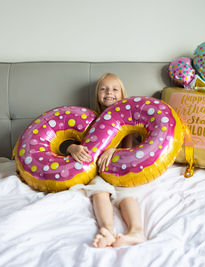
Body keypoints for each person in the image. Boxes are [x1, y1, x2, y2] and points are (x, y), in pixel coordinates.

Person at [61, 73, 146, 248]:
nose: (109, 93)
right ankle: (106, 230)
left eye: (115, 89)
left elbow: (129, 148)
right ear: (97, 95)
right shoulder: (88, 118)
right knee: (98, 192)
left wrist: (113, 151)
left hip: (119, 168)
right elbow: (65, 141)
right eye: (104, 89)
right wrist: (72, 148)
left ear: (122, 95)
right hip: (96, 171)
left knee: (126, 195)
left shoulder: (126, 119)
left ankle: (136, 231)